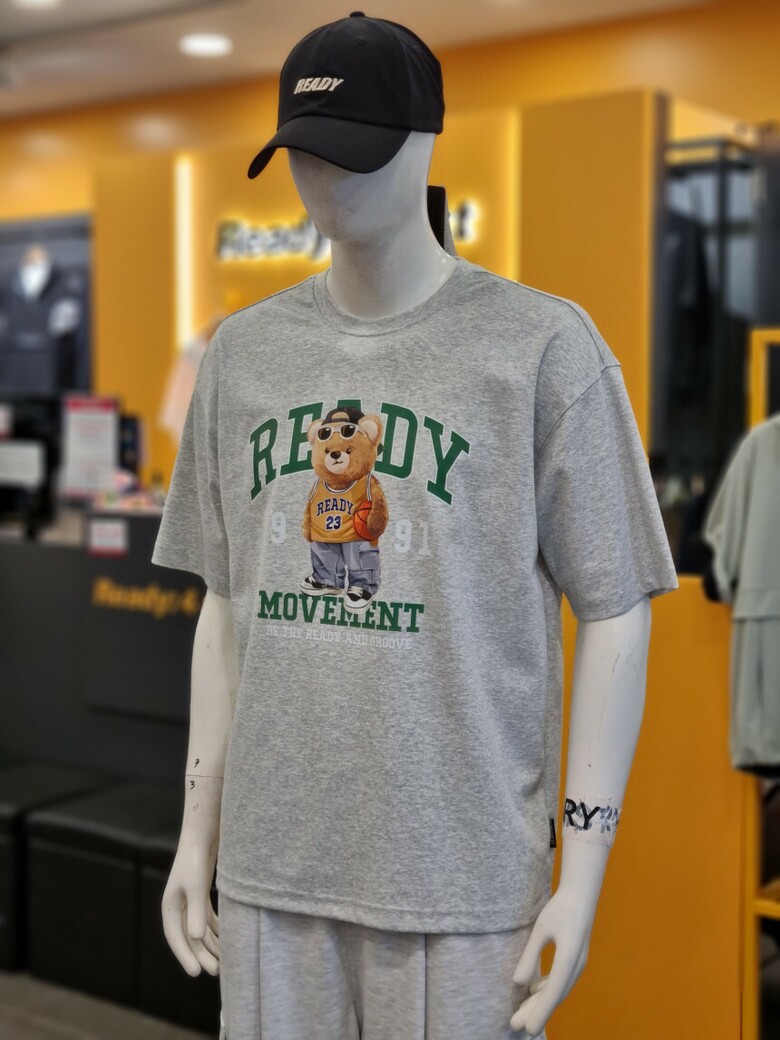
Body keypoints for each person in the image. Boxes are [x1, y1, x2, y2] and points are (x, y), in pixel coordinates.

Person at [151, 13, 679, 1039]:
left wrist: (584, 867)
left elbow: (617, 605)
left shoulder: (541, 347)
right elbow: (225, 600)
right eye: (303, 151)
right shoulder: (241, 355)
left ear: (427, 142)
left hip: (462, 881)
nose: (323, 180)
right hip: (269, 868)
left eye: (351, 150)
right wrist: (196, 826)